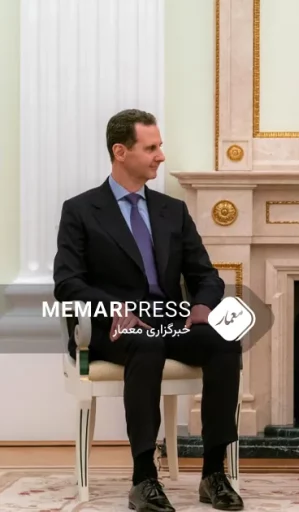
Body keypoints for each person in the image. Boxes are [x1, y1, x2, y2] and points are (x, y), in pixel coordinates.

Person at [53, 109, 244, 511]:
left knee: (224, 341)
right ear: (120, 152)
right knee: (146, 343)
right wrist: (114, 307)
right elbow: (68, 283)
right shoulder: (81, 210)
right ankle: (144, 479)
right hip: (111, 327)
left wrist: (202, 307)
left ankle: (214, 473)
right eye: (151, 147)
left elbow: (205, 274)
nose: (161, 156)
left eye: (160, 146)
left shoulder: (171, 210)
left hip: (170, 321)